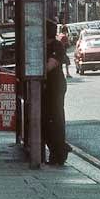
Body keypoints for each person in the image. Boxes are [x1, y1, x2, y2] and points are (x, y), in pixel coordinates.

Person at [44, 20, 69, 165]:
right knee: (46, 121)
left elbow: (49, 66)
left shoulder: (56, 45)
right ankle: (57, 150)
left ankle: (59, 152)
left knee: (56, 119)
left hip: (55, 87)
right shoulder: (43, 45)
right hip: (46, 87)